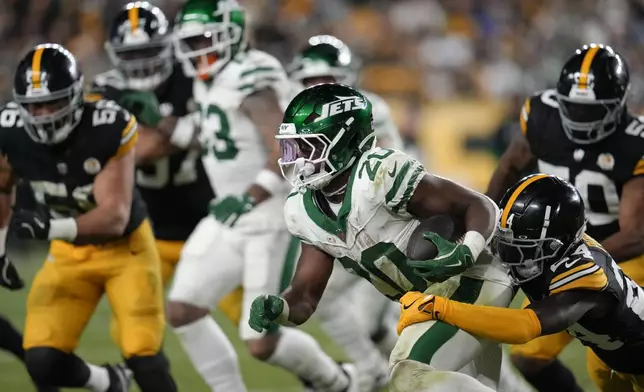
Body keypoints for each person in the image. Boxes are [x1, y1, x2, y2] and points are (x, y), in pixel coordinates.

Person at [248, 83, 514, 392]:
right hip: (427, 301)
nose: (300, 160)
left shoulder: (378, 175)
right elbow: (306, 296)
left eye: (310, 148)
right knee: (465, 382)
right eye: (294, 148)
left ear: (345, 142)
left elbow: (477, 205)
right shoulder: (301, 210)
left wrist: (467, 249)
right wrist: (279, 307)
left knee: (409, 374)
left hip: (472, 279)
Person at [164, 1, 358, 391]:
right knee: (182, 309)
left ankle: (339, 382)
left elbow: (283, 149)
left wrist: (250, 197)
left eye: (204, 38)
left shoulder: (252, 73)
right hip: (230, 214)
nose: (197, 49)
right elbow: (215, 139)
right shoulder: (211, 80)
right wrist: (157, 120)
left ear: (231, 35)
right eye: (190, 41)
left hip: (267, 216)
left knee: (260, 340)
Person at [0, 43, 177, 392]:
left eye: (52, 102)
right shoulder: (9, 129)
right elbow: (3, 186)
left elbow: (114, 215)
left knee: (144, 356)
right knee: (41, 360)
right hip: (69, 254)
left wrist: (48, 227)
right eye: (34, 106)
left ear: (77, 97)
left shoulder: (108, 125)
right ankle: (108, 382)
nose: (44, 114)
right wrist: (1, 245)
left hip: (125, 249)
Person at [486, 43, 644, 392]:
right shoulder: (543, 117)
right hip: (558, 249)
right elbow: (511, 165)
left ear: (619, 105)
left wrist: (570, 262)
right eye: (573, 106)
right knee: (529, 357)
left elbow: (637, 234)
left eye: (591, 110)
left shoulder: (635, 144)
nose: (580, 117)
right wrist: (486, 216)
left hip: (624, 256)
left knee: (607, 364)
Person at [404, 173, 644, 392]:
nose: (508, 254)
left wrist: (440, 308)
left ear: (554, 246)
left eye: (521, 247)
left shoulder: (586, 279)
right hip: (611, 355)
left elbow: (526, 326)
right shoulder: (553, 250)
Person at [90, 1, 243, 332]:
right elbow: (136, 152)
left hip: (206, 222)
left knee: (253, 321)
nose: (140, 62)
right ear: (114, 54)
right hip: (147, 233)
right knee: (132, 327)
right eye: (130, 54)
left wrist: (158, 123)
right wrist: (176, 129)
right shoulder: (106, 91)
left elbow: (205, 135)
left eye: (148, 51)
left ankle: (323, 380)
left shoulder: (193, 78)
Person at [286, 34, 403, 390]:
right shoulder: (301, 115)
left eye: (326, 80)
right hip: (345, 225)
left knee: (381, 322)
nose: (317, 88)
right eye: (309, 81)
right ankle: (374, 368)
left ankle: (380, 370)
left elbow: (387, 170)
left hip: (384, 226)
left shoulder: (369, 109)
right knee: (335, 303)